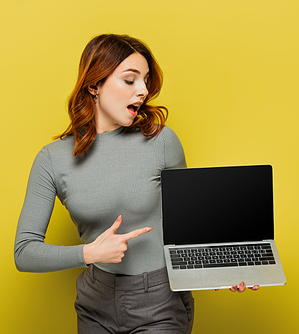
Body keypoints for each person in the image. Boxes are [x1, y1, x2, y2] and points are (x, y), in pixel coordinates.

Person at [14, 33, 257, 334]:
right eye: (130, 80)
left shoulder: (161, 141)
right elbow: (24, 252)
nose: (142, 90)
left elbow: (188, 228)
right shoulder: (52, 159)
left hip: (160, 301)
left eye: (145, 80)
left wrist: (221, 269)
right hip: (94, 302)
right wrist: (88, 253)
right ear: (94, 85)